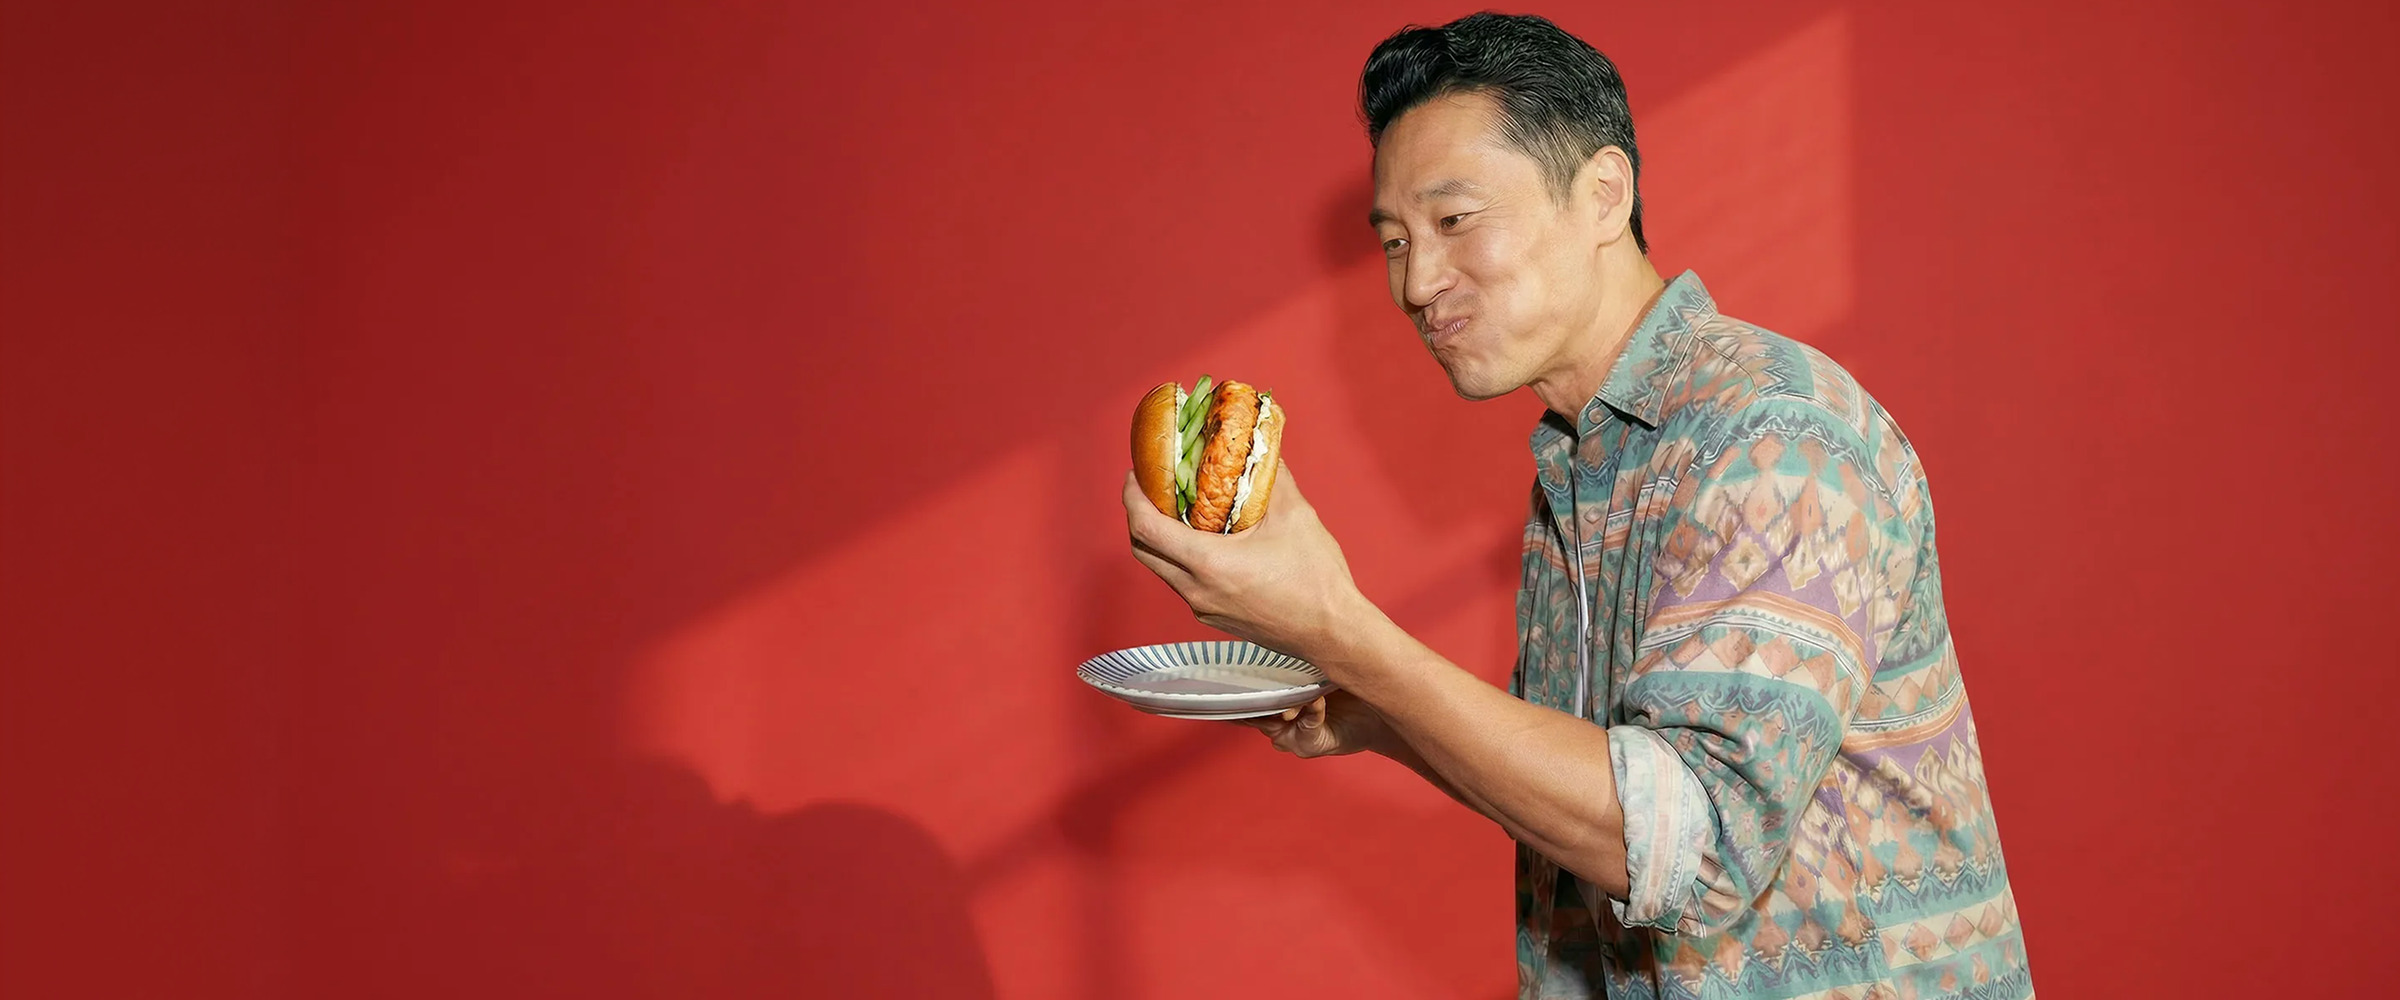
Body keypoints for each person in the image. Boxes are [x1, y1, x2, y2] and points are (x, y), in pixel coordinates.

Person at [1120, 12, 2032, 1000]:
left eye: (1456, 220)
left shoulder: (1772, 435)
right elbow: (1601, 803)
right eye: (1394, 240)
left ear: (1604, 193)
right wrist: (1374, 713)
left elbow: (1693, 845)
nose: (1419, 282)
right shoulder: (1580, 457)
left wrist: (1347, 633)